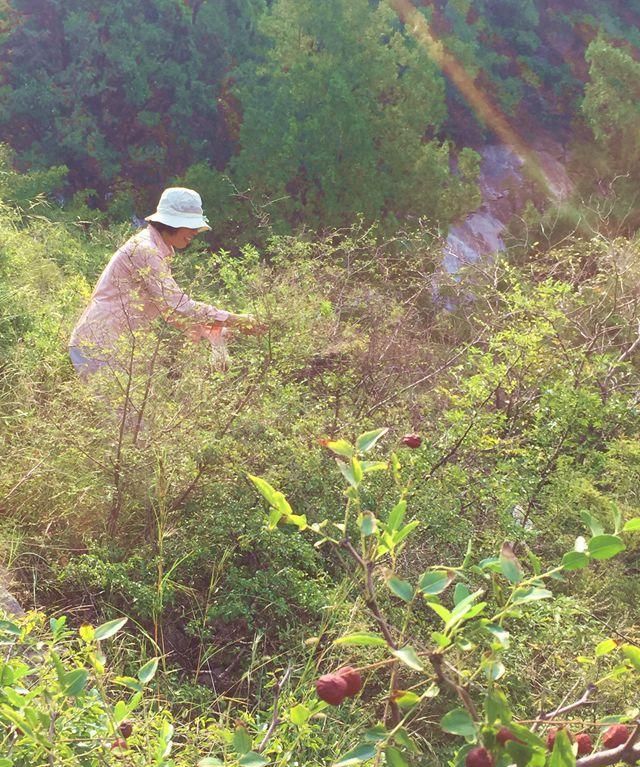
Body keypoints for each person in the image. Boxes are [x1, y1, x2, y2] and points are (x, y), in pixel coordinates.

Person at [69, 187, 263, 379]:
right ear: (172, 223)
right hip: (98, 345)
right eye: (191, 226)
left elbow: (170, 312)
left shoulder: (157, 250)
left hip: (110, 345)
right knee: (125, 410)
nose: (195, 232)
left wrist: (214, 331)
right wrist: (236, 319)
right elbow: (179, 305)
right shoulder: (146, 250)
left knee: (133, 408)